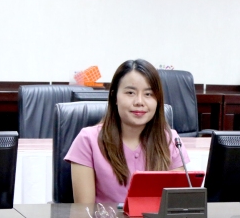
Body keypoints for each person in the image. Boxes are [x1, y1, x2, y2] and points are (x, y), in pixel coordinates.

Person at [66, 59, 188, 204]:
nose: (139, 102)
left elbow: (176, 205)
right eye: (130, 93)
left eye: (148, 94)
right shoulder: (88, 140)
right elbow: (84, 211)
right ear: (114, 97)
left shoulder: (170, 140)